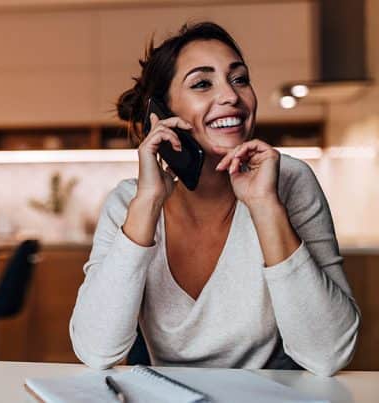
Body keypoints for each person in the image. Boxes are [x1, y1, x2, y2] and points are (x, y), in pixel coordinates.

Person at [69, 22, 359, 377]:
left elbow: (329, 353)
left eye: (239, 79)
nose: (231, 96)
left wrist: (265, 206)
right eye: (202, 83)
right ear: (160, 114)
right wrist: (147, 202)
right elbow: (96, 350)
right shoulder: (130, 202)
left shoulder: (288, 181)